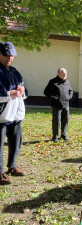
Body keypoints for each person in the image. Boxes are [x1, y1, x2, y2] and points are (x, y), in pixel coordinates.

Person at [0, 42, 26, 185]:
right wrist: (10, 93)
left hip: (14, 113)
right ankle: (0, 173)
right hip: (1, 115)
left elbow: (23, 88)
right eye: (6, 55)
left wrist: (22, 90)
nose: (9, 57)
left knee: (16, 140)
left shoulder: (15, 71)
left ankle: (12, 165)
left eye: (12, 55)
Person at [44, 68, 73, 142]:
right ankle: (55, 136)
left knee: (65, 120)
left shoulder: (67, 82)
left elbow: (71, 91)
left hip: (66, 105)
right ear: (59, 74)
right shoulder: (53, 82)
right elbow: (46, 92)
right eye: (63, 73)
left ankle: (63, 134)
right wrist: (54, 99)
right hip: (56, 105)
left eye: (66, 73)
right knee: (56, 121)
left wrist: (69, 97)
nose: (65, 75)